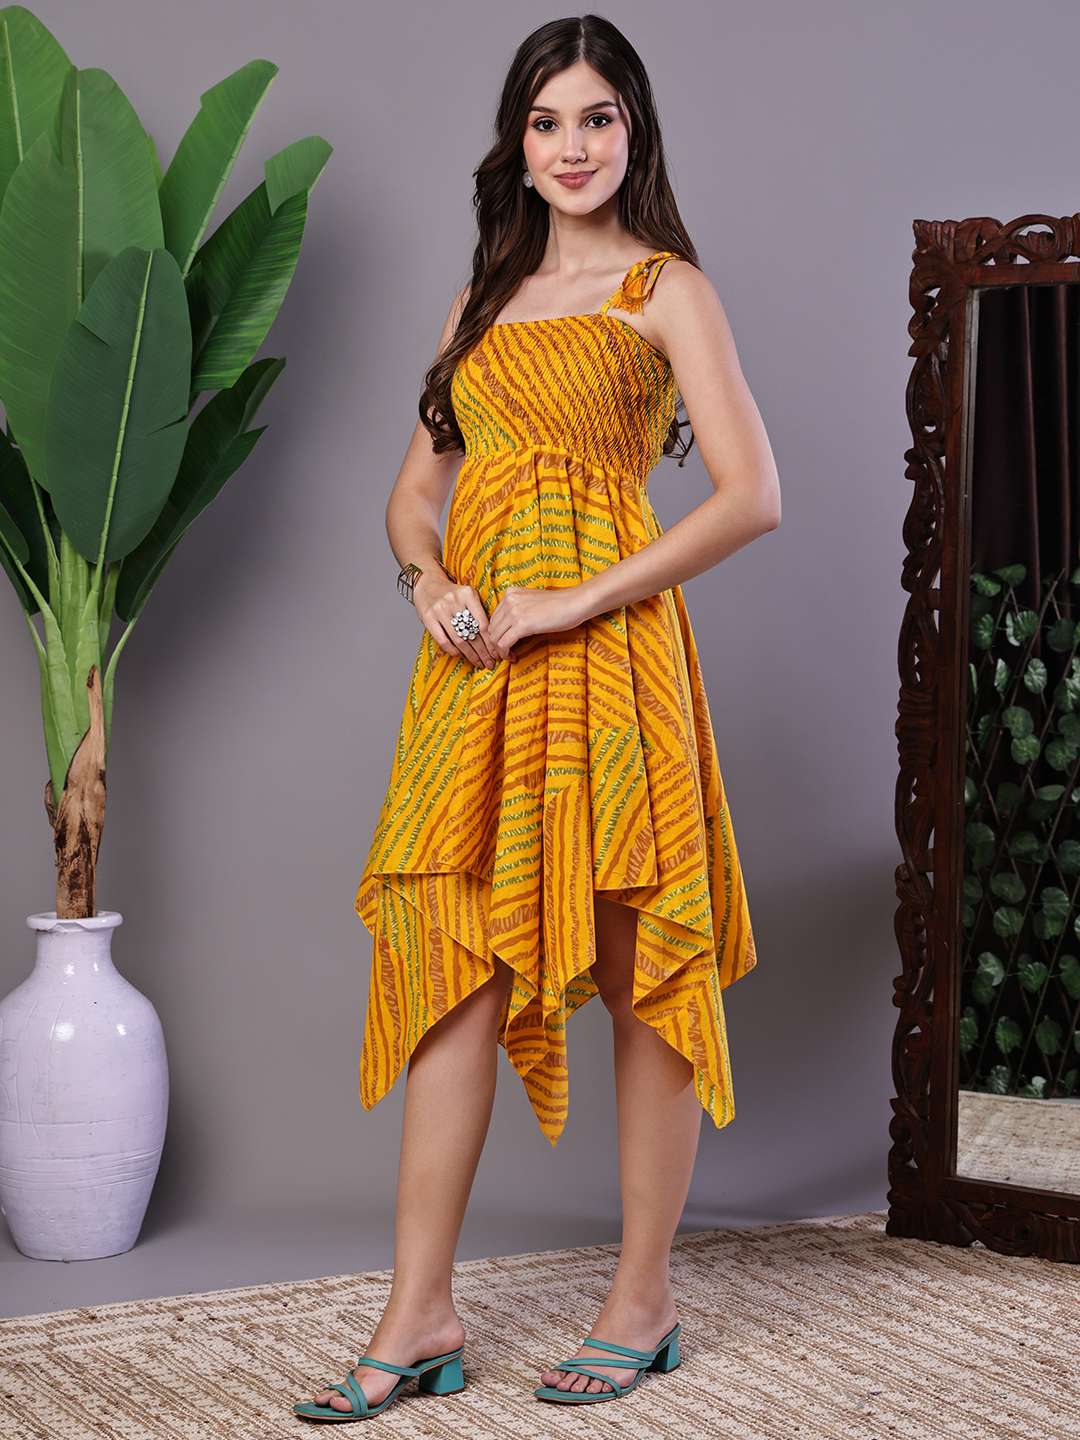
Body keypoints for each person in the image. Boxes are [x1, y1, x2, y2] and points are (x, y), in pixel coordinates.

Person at [295, 11, 779, 1423]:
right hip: (475, 672)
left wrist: (572, 599)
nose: (573, 146)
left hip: (613, 658)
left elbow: (753, 496)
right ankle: (419, 1313)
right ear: (518, 142)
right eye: (548, 121)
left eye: (598, 118)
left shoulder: (667, 291)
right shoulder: (481, 301)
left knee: (640, 971)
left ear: (635, 131)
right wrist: (429, 584)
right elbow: (413, 495)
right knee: (455, 963)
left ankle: (644, 1301)